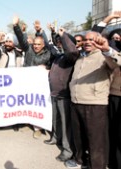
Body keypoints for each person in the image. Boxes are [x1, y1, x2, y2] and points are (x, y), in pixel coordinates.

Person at [64, 31, 121, 169]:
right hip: (76, 103)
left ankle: (97, 166)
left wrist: (107, 50)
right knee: (79, 138)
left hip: (95, 105)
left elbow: (117, 62)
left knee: (96, 142)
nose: (87, 42)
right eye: (85, 39)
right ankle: (80, 160)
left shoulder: (104, 57)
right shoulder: (81, 58)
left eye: (92, 39)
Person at [44, 27, 78, 163]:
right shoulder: (59, 57)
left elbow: (72, 51)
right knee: (56, 120)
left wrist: (64, 35)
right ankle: (55, 138)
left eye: (62, 41)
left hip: (65, 96)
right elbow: (49, 46)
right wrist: (49, 33)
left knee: (65, 124)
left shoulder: (72, 57)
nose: (59, 43)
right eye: (58, 41)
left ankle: (67, 150)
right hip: (54, 94)